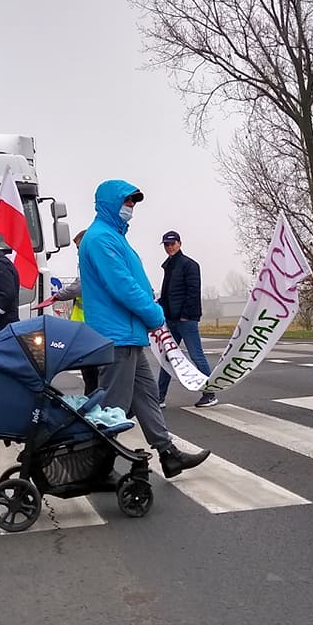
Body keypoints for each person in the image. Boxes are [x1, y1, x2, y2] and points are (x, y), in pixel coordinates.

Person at [77, 180, 210, 478]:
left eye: (134, 203)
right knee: (114, 407)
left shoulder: (115, 237)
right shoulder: (101, 238)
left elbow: (131, 281)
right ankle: (99, 468)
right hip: (116, 335)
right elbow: (121, 286)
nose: (131, 208)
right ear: (110, 203)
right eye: (127, 202)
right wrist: (154, 313)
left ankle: (168, 454)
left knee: (147, 396)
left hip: (128, 334)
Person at [34, 229, 99, 395]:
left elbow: (78, 287)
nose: (78, 253)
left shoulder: (92, 265)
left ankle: (92, 405)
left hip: (91, 329)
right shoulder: (95, 263)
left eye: (79, 248)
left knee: (91, 374)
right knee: (92, 374)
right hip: (91, 328)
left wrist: (57, 296)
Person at [157, 231, 217, 408]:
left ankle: (210, 393)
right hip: (171, 319)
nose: (169, 247)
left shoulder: (189, 265)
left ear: (179, 243)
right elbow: (169, 294)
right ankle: (159, 397)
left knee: (196, 356)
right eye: (167, 245)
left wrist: (185, 315)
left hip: (185, 319)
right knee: (167, 358)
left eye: (172, 244)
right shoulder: (169, 265)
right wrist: (159, 306)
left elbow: (193, 293)